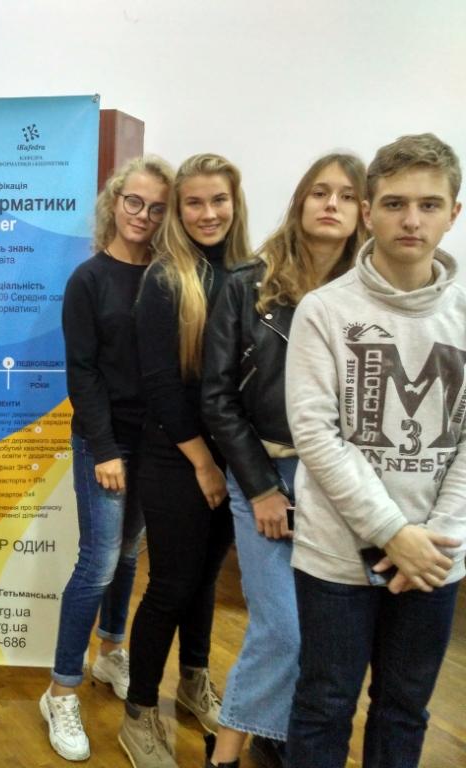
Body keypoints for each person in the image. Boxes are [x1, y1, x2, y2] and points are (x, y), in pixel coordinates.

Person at [284, 133, 464, 768]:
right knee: (324, 705)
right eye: (394, 204)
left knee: (404, 709)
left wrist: (431, 540)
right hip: (336, 556)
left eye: (428, 204)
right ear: (368, 212)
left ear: (453, 212)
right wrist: (392, 532)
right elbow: (316, 435)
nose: (411, 220)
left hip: (436, 558)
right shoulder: (323, 311)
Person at [201, 153, 367, 768]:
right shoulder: (247, 284)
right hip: (266, 472)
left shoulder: (369, 294)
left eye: (345, 195)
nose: (331, 204)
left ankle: (280, 739)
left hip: (340, 481)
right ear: (300, 202)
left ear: (362, 211)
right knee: (283, 628)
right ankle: (225, 753)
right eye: (319, 192)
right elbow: (217, 398)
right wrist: (262, 488)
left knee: (324, 633)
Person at [40, 156, 174, 762]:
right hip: (105, 442)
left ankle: (110, 651)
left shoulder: (169, 277)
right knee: (96, 562)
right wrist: (104, 448)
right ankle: (60, 691)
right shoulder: (88, 279)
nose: (143, 215)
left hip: (157, 443)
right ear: (114, 202)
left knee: (127, 554)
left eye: (156, 207)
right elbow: (83, 372)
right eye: (134, 202)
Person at [119, 153, 251, 768]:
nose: (207, 213)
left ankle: (195, 683)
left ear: (235, 203)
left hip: (232, 456)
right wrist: (202, 462)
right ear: (178, 211)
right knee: (170, 587)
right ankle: (139, 714)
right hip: (176, 457)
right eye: (193, 202)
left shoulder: (247, 274)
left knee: (204, 582)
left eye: (218, 200)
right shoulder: (165, 280)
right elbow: (161, 387)